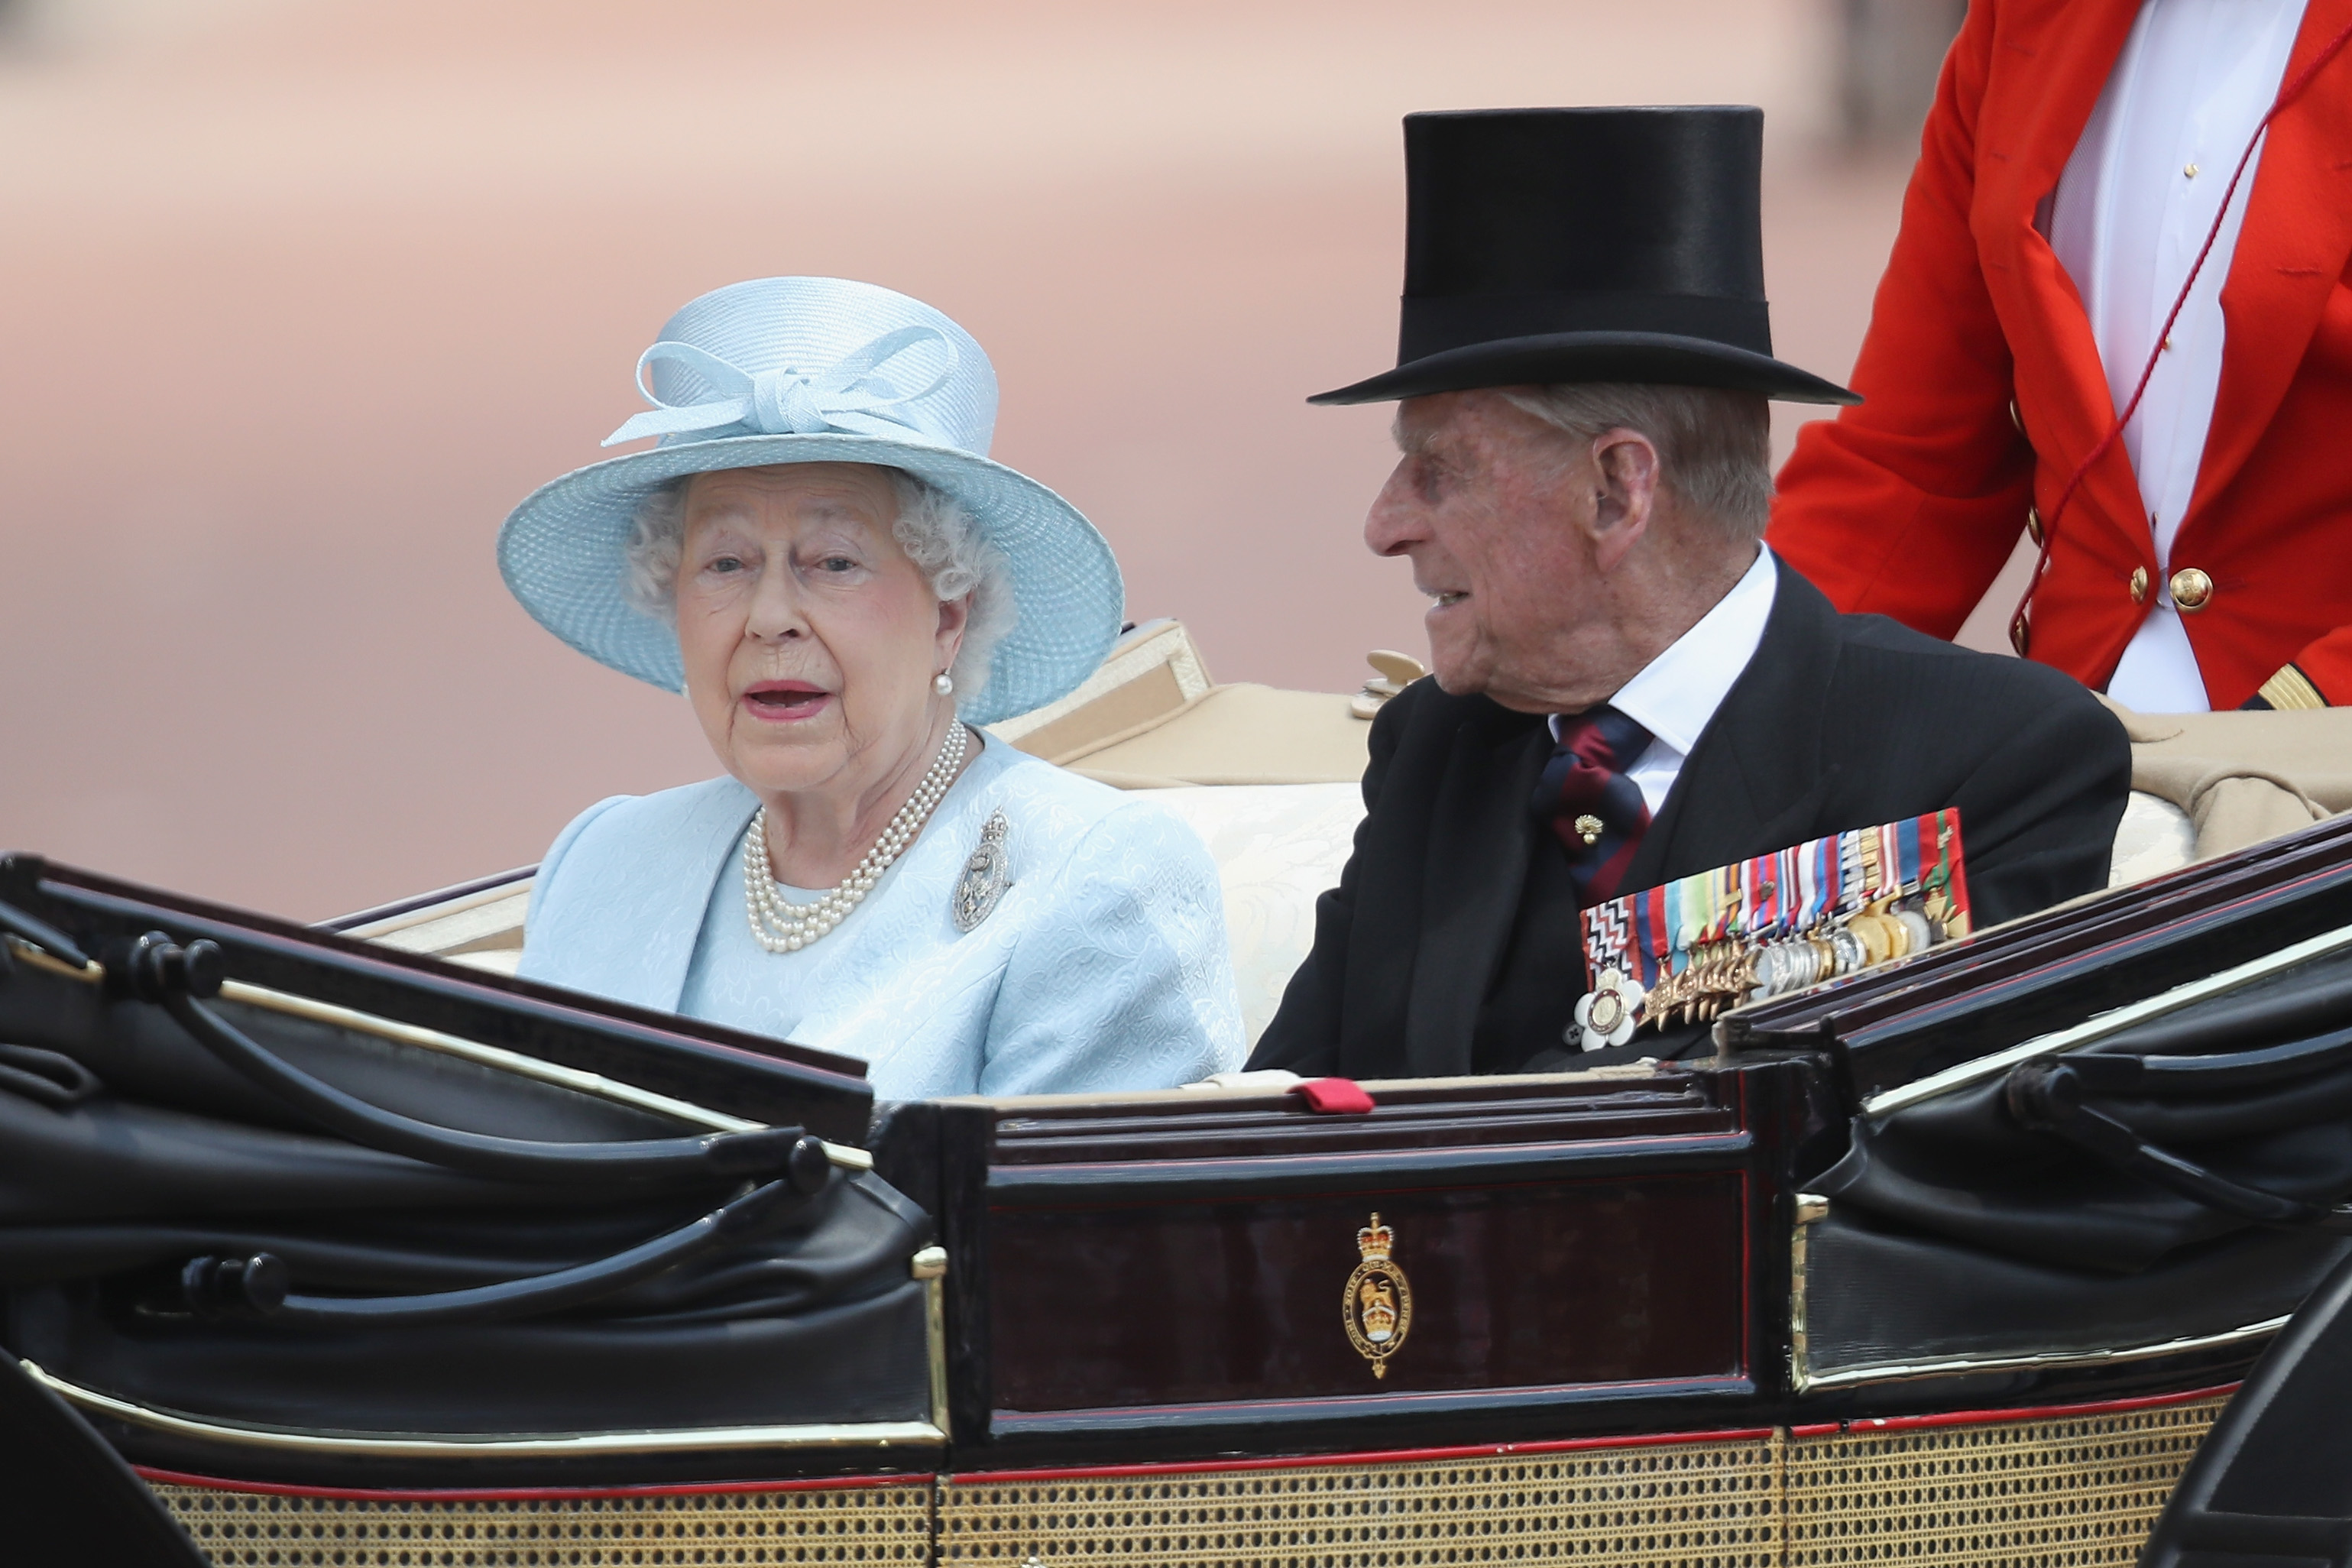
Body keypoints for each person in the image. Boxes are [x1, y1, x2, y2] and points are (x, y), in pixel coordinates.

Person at [1245, 107, 2130, 1080]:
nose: (1385, 525)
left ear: (1616, 488)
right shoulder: (1436, 746)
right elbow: (1283, 1113)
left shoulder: (1985, 759)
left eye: (1438, 470)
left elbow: (1935, 1160)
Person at [501, 277, 1244, 1100]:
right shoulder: (604, 860)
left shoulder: (1094, 877)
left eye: (834, 563)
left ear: (948, 616)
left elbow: (1063, 1222)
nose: (769, 617)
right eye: (725, 564)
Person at [1770, 0, 2352, 713]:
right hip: (2080, 760)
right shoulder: (2023, 18)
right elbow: (1909, 466)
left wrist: (2274, 748)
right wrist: (1731, 709)